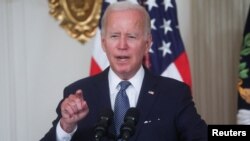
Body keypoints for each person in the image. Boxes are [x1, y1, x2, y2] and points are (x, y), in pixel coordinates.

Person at [41, 1, 207, 141]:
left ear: (148, 43)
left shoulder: (174, 94)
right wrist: (66, 126)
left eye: (131, 36)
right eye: (114, 36)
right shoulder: (79, 94)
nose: (122, 45)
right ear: (104, 43)